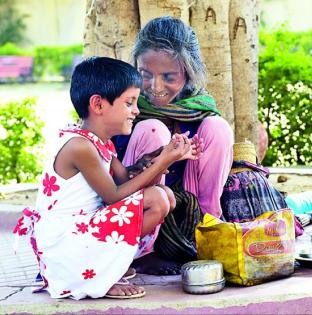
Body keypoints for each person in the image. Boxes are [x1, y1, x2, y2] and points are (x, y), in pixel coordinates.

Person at [13, 56, 202, 300]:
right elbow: (114, 197)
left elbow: (126, 181)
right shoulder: (79, 146)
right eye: (130, 103)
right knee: (158, 199)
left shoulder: (100, 143)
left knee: (165, 196)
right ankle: (102, 275)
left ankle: (106, 266)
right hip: (65, 247)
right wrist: (163, 162)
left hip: (80, 236)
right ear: (98, 105)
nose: (136, 110)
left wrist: (161, 157)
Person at [113, 16, 234, 274]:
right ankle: (145, 250)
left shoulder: (199, 107)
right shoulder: (126, 107)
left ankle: (206, 230)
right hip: (140, 207)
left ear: (188, 72)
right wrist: (145, 163)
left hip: (185, 205)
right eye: (146, 75)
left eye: (168, 76)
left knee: (218, 127)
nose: (155, 87)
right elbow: (111, 171)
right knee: (151, 128)